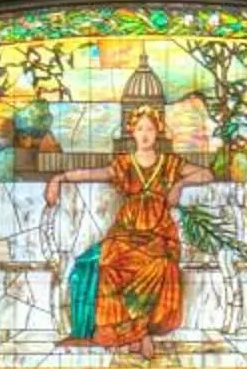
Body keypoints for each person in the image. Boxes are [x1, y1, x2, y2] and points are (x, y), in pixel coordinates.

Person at [45, 106, 210, 354]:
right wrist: (59, 178)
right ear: (132, 131)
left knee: (158, 266)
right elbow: (92, 173)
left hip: (158, 235)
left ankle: (140, 333)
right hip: (125, 233)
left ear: (158, 131)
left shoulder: (170, 164)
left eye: (150, 129)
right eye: (140, 128)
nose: (145, 134)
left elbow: (206, 173)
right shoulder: (124, 164)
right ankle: (135, 335)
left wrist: (180, 184)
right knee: (104, 265)